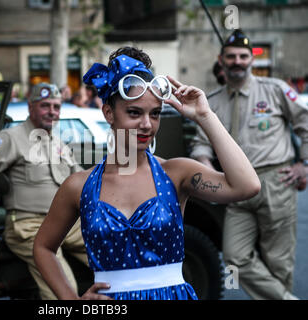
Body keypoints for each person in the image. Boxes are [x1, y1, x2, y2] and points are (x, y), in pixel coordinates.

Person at [33, 46, 261, 300]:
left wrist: (205, 116)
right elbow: (43, 247)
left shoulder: (175, 174)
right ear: (109, 112)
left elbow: (247, 185)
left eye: (155, 114)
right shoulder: (78, 186)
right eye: (134, 112)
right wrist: (71, 300)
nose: (146, 124)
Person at [190, 29, 308, 300]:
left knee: (279, 262)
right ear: (221, 60)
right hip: (235, 190)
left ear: (252, 60)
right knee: (234, 257)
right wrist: (207, 168)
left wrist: (305, 164)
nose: (237, 61)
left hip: (276, 181)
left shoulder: (276, 90)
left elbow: (305, 123)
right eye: (231, 56)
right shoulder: (213, 102)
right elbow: (200, 144)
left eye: (243, 56)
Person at [0, 83, 88, 300]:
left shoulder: (58, 143)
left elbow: (80, 180)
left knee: (113, 253)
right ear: (31, 107)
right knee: (64, 290)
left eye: (56, 106)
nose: (52, 111)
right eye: (45, 105)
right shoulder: (10, 138)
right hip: (29, 226)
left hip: (66, 224)